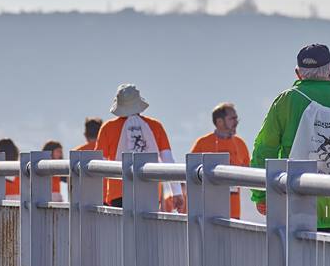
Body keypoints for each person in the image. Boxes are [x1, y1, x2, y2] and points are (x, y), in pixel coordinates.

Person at [251, 44, 330, 235]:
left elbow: (264, 149)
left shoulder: (286, 101)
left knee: (297, 255)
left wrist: (261, 195)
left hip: (296, 203)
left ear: (298, 73)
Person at [95, 83, 184, 212]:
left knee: (122, 225)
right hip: (150, 190)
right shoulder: (155, 126)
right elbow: (168, 160)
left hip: (118, 193)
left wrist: (100, 196)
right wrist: (176, 192)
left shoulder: (107, 128)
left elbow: (99, 165)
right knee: (148, 225)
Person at [189, 102, 250, 219]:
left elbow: (249, 173)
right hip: (208, 212)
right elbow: (191, 174)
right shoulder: (202, 143)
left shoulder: (240, 144)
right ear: (219, 122)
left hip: (234, 212)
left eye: (236, 118)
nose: (236, 122)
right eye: (232, 119)